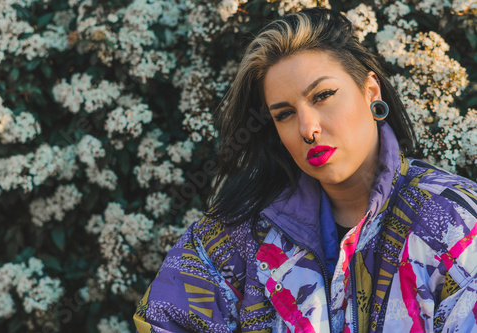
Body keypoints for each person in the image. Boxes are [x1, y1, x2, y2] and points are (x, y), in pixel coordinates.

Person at [134, 8, 477, 333]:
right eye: (284, 114)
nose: (307, 128)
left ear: (370, 90)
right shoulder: (238, 235)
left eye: (323, 95)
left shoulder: (455, 224)